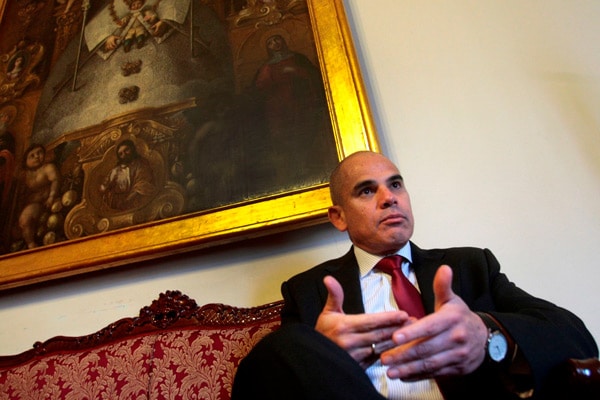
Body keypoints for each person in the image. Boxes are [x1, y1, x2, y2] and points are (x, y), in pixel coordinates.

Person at [231, 151, 598, 399]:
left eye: (396, 184)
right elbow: (260, 386)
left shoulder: (470, 266)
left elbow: (577, 338)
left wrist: (487, 334)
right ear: (338, 217)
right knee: (280, 348)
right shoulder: (309, 292)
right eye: (366, 190)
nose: (389, 198)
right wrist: (323, 358)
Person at [17, 144, 61, 249]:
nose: (37, 156)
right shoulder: (24, 175)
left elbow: (55, 181)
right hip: (31, 204)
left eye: (39, 153)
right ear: (26, 161)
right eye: (32, 155)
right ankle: (30, 244)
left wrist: (51, 197)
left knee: (26, 218)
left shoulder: (48, 168)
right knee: (21, 224)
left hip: (46, 202)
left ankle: (31, 244)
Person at [99, 139, 156, 211]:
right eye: (120, 153)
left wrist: (127, 200)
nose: (124, 154)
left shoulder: (142, 164)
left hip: (137, 199)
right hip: (119, 202)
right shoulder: (116, 169)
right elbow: (105, 186)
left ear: (132, 149)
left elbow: (143, 184)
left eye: (126, 150)